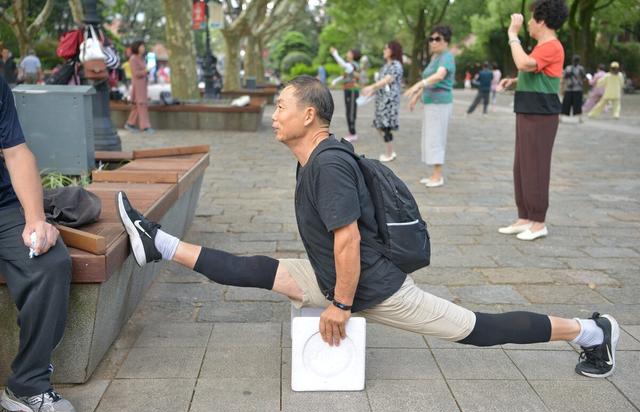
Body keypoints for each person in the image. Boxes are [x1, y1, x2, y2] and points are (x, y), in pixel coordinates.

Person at [117, 75, 619, 385]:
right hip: (335, 274)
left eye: (281, 108)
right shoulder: (313, 157)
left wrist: (338, 306)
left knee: (479, 329)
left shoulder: (328, 165)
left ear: (308, 115)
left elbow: (348, 240)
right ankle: (156, 242)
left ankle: (593, 330)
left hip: (372, 287)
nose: (274, 116)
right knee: (259, 270)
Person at [0, 75, 76, 412]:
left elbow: (16, 153)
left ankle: (27, 384)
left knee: (49, 261)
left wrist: (35, 220)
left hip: (3, 207)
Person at [496, 0, 567, 241]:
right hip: (528, 111)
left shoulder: (552, 45)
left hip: (541, 115)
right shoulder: (541, 47)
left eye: (530, 18)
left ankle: (539, 222)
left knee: (535, 166)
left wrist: (512, 35)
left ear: (541, 21)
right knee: (522, 167)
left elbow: (524, 63)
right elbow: (536, 72)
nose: (527, 23)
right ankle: (524, 217)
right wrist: (514, 81)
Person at [404, 25, 456, 188]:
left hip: (440, 103)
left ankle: (438, 176)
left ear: (446, 41)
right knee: (430, 137)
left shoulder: (446, 57)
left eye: (437, 39)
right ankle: (434, 173)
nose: (433, 42)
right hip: (431, 103)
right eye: (431, 39)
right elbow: (429, 82)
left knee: (436, 138)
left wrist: (418, 84)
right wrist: (417, 96)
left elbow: (439, 76)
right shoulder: (435, 58)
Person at [361, 41, 404, 162]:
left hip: (389, 101)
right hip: (381, 100)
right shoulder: (385, 66)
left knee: (385, 126)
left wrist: (371, 87)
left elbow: (387, 80)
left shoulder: (396, 65)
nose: (384, 51)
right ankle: (390, 151)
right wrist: (371, 92)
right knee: (379, 125)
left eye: (386, 48)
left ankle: (390, 153)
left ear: (392, 50)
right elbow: (381, 83)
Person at [330, 46, 361, 142]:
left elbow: (343, 64)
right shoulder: (350, 65)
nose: (347, 54)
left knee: (351, 112)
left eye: (349, 52)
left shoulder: (354, 65)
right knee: (348, 112)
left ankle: (353, 133)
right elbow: (344, 76)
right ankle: (351, 132)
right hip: (347, 90)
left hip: (352, 91)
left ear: (353, 55)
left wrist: (335, 54)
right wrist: (335, 80)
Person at [124, 41, 154, 134]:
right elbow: (136, 73)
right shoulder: (133, 59)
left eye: (143, 47)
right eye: (141, 47)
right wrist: (146, 71)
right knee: (141, 105)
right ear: (137, 48)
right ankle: (145, 127)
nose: (143, 48)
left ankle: (130, 124)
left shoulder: (142, 58)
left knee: (137, 106)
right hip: (138, 86)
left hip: (143, 85)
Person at [561, 54, 586, 122]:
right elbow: (564, 77)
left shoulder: (581, 69)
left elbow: (584, 78)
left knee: (578, 104)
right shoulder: (568, 68)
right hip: (569, 88)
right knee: (565, 104)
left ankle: (580, 118)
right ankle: (560, 117)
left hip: (577, 88)